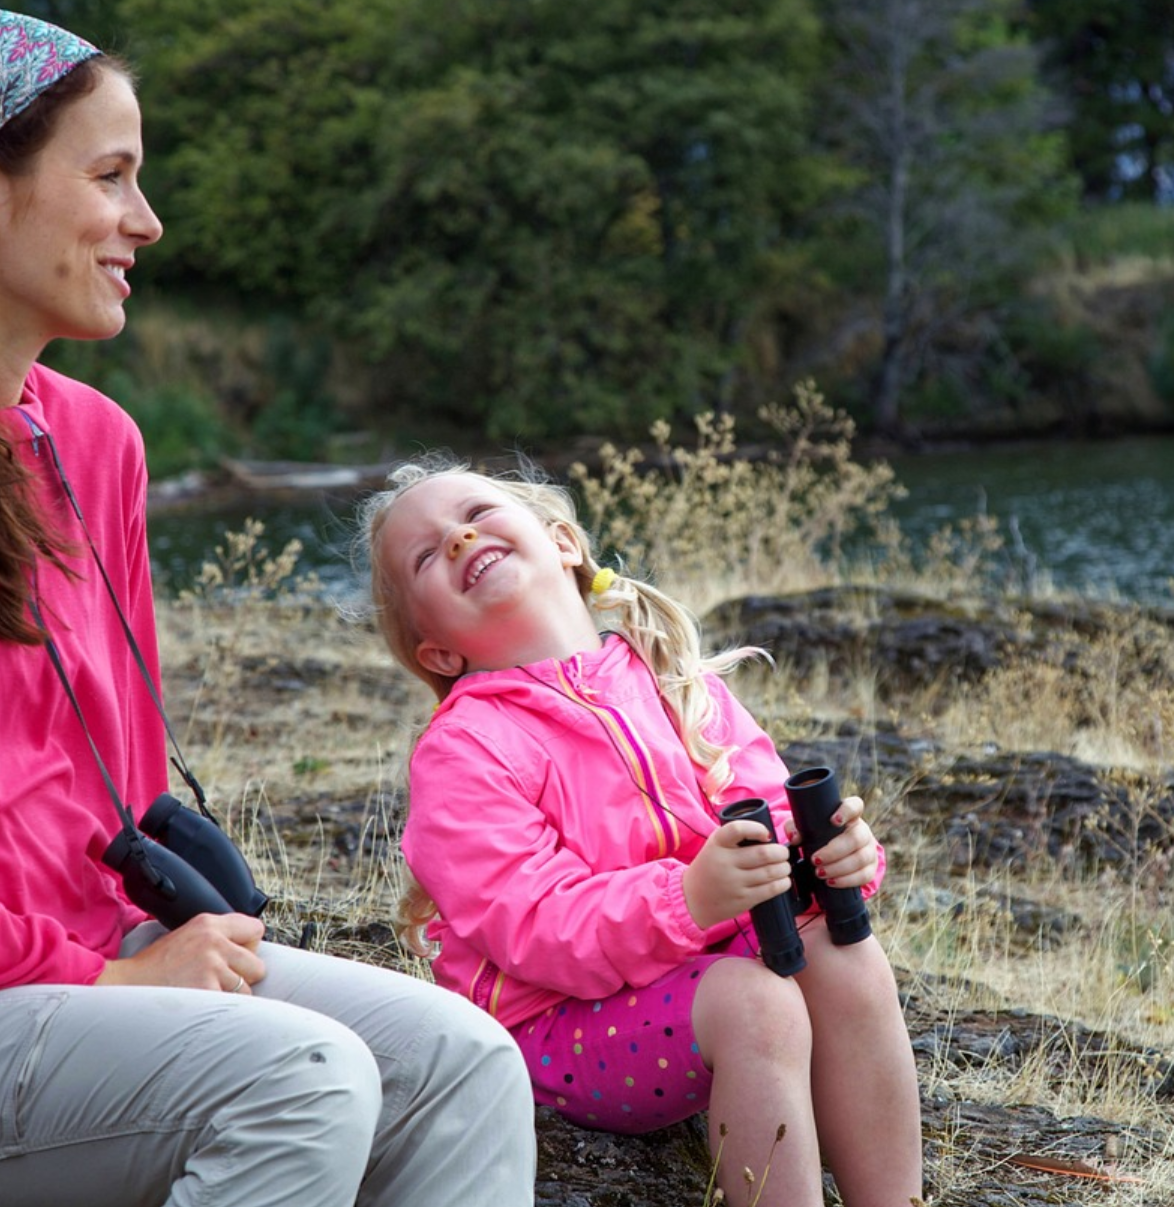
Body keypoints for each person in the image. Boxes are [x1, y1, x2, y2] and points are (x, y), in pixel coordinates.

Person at [0, 0, 534, 1207]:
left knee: (465, 1063)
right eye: (112, 176)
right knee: (303, 1079)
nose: (148, 221)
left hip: (73, 974)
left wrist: (144, 953)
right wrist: (111, 982)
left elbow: (115, 787)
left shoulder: (96, 444)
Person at [357, 458, 924, 1207]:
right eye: (426, 555)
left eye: (476, 513)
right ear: (437, 652)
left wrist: (834, 859)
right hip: (559, 1028)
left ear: (561, 541)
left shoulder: (672, 679)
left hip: (698, 971)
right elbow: (533, 926)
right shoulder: (465, 749)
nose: (459, 538)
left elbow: (767, 817)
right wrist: (689, 897)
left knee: (846, 956)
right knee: (755, 1004)